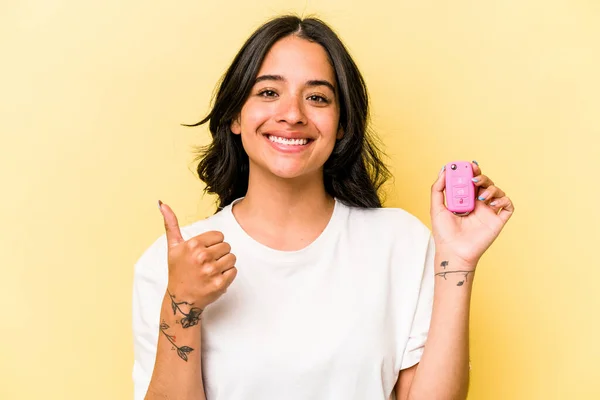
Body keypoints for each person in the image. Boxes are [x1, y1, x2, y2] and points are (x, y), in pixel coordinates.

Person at [132, 15, 514, 400]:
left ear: (343, 123)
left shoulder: (401, 243)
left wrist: (457, 262)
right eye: (268, 93)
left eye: (317, 97)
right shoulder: (173, 261)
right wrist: (182, 303)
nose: (293, 114)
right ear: (235, 115)